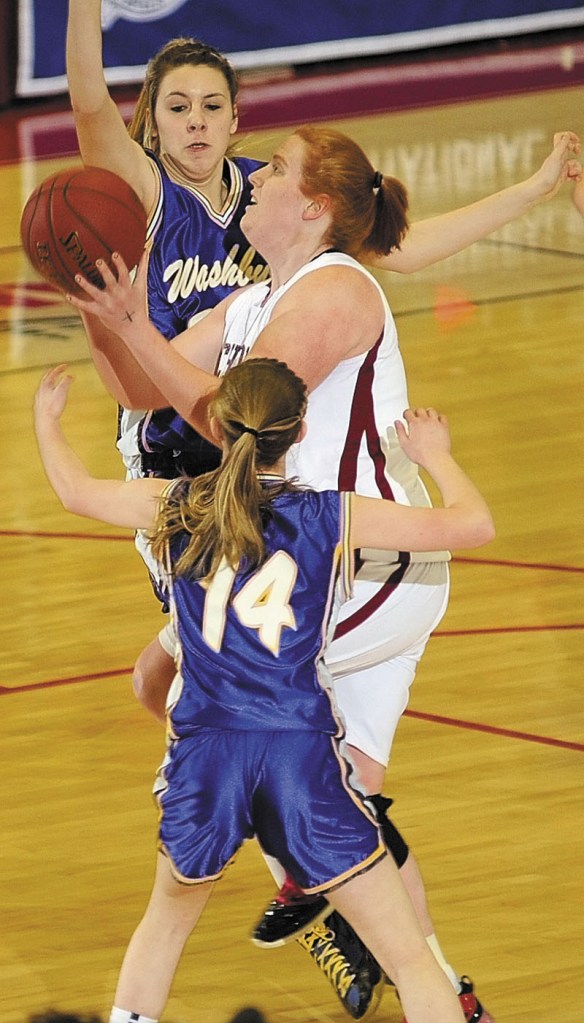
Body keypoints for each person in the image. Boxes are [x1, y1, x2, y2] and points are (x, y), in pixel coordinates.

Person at [34, 355, 495, 1023]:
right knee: (408, 958)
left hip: (206, 751)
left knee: (163, 927)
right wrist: (433, 454)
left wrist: (47, 421)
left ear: (217, 427)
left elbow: (74, 490)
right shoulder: (329, 515)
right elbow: (473, 525)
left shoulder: (176, 502)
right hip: (296, 754)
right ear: (301, 429)